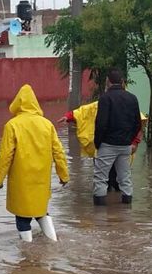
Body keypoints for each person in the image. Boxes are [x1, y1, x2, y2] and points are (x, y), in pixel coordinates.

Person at [0, 84, 69, 242]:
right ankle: (53, 242)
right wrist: (64, 175)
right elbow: (58, 152)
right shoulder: (47, 125)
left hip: (21, 181)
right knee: (40, 211)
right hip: (41, 180)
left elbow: (5, 155)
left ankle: (27, 253)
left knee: (22, 216)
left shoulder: (12, 125)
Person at [59, 102, 146, 192]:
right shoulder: (101, 104)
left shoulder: (127, 104)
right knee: (106, 178)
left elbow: (139, 122)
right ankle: (114, 200)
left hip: (118, 147)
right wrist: (68, 117)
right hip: (103, 146)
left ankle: (111, 199)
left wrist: (135, 142)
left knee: (118, 178)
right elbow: (82, 112)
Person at [92, 68, 141, 205]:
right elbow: (137, 123)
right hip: (125, 145)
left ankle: (100, 216)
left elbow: (101, 124)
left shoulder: (105, 98)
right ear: (122, 81)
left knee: (101, 178)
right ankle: (127, 210)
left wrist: (98, 143)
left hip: (107, 144)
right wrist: (130, 140)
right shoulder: (132, 98)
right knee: (125, 177)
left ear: (108, 81)